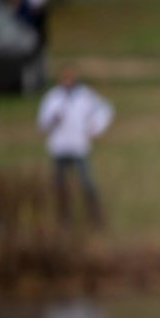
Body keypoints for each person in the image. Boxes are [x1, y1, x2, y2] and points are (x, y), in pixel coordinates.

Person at [36, 66, 113, 227]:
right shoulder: (52, 97)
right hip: (59, 147)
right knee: (60, 185)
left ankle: (95, 217)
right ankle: (64, 218)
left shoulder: (85, 95)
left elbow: (105, 109)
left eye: (70, 78)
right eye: (64, 78)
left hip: (78, 146)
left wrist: (95, 127)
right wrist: (52, 120)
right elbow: (42, 123)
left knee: (87, 183)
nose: (67, 81)